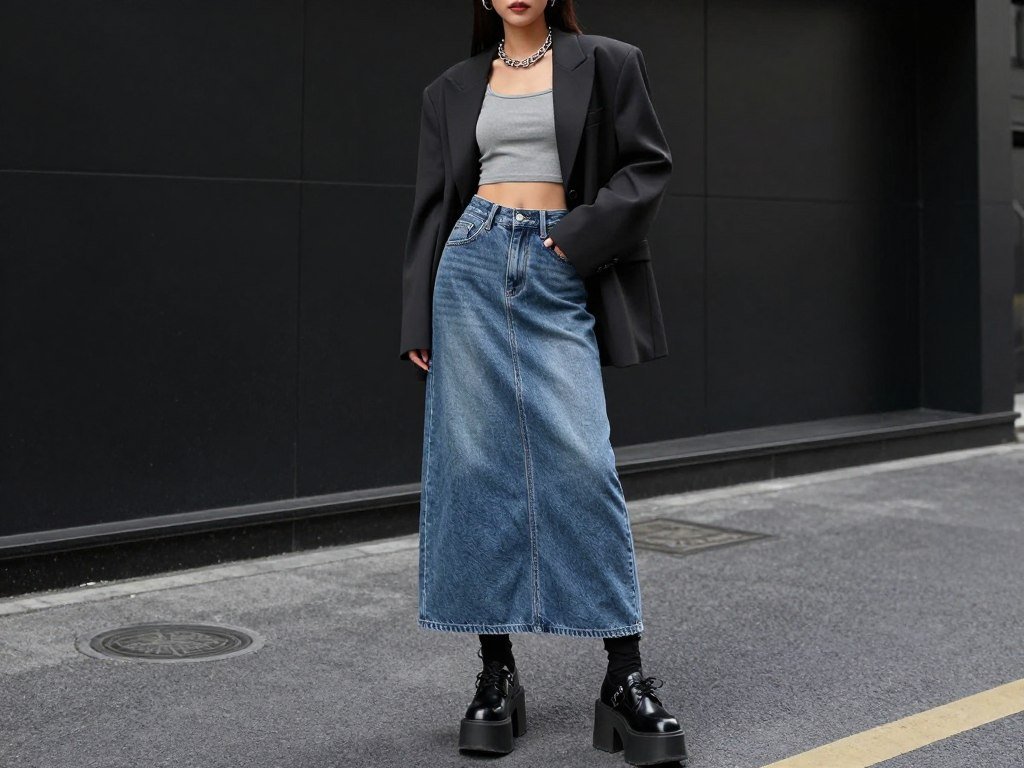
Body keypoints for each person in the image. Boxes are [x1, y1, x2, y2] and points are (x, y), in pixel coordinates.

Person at [399, 1, 685, 764]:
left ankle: (623, 679)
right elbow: (433, 210)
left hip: (559, 271)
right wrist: (416, 320)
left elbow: (646, 164)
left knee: (584, 465)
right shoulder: (451, 89)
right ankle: (496, 674)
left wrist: (572, 242)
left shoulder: (610, 61)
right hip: (470, 271)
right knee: (476, 470)